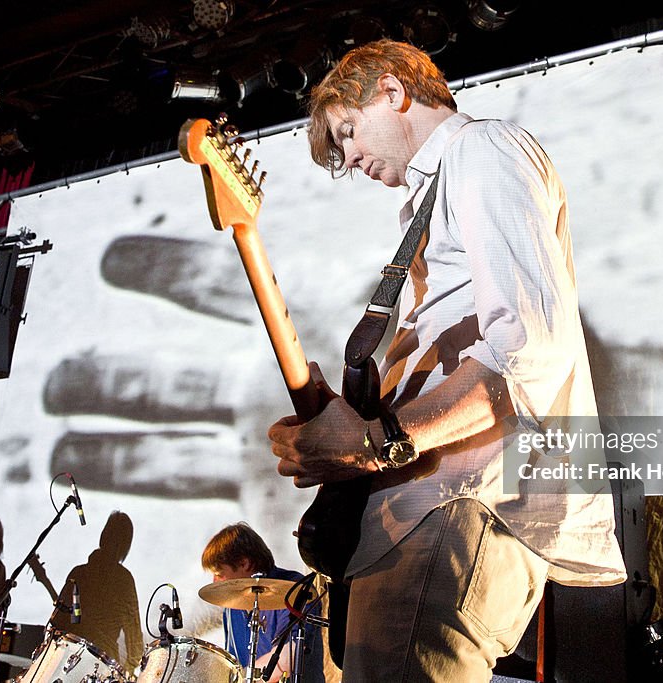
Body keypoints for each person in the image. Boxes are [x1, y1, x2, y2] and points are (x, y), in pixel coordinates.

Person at [267, 38, 627, 680]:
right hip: (431, 506)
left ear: (392, 90)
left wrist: (377, 441)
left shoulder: (480, 151)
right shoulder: (439, 193)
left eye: (348, 132)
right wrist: (348, 418)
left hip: (460, 504)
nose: (349, 159)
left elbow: (528, 347)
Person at [201, 522, 329, 683]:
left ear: (244, 563)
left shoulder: (294, 590)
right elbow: (233, 664)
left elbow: (287, 659)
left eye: (219, 574)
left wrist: (240, 679)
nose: (215, 581)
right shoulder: (231, 605)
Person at [56, 511, 143, 674]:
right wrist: (132, 668)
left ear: (103, 537)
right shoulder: (124, 579)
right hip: (103, 664)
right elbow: (134, 632)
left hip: (68, 661)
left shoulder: (78, 573)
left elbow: (57, 622)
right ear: (126, 546)